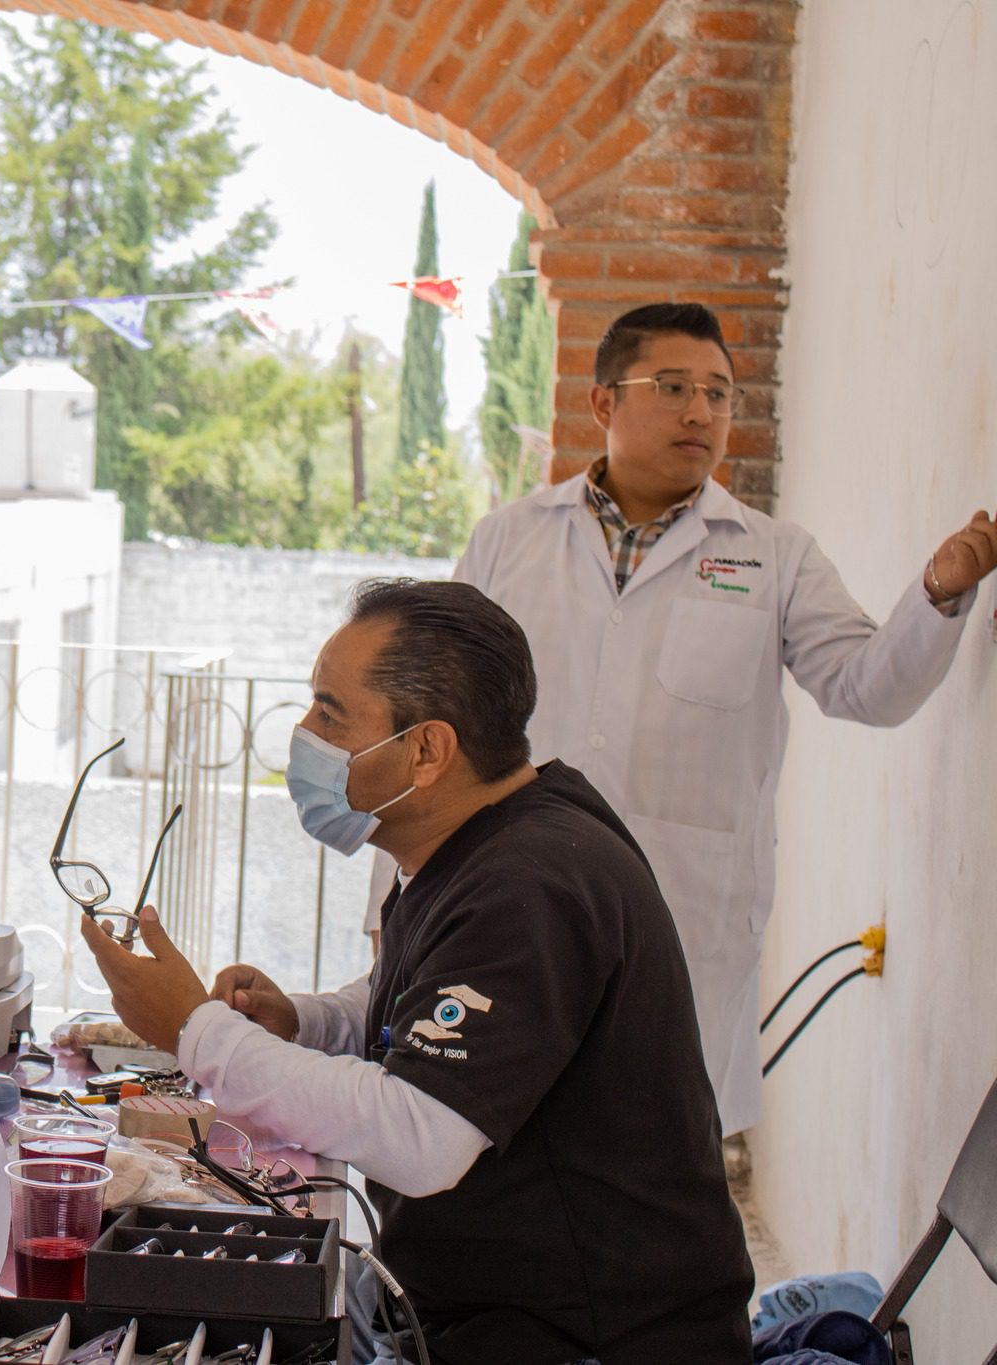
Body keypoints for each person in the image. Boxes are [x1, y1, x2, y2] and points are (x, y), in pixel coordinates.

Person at [82, 579, 753, 1365]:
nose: (304, 734)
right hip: (484, 1311)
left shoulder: (529, 884)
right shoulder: (488, 840)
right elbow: (422, 996)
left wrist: (197, 1030)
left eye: (330, 713)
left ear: (427, 750)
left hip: (594, 1338)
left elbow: (419, 1135)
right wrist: (308, 1021)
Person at [378, 301, 997, 1139]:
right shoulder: (509, 541)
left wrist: (937, 595)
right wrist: (394, 897)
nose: (702, 412)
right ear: (603, 404)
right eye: (673, 387)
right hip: (506, 897)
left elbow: (866, 688)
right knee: (487, 1133)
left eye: (719, 393)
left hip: (682, 917)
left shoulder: (773, 557)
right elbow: (434, 723)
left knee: (648, 1162)